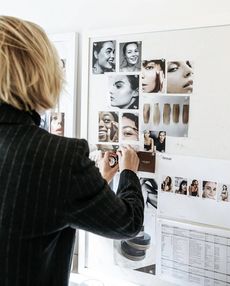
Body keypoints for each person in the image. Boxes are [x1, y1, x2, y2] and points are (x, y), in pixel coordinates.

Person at [0, 16, 144, 286]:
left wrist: (98, 183)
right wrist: (129, 173)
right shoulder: (58, 158)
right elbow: (128, 223)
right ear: (40, 74)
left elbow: (26, 209)